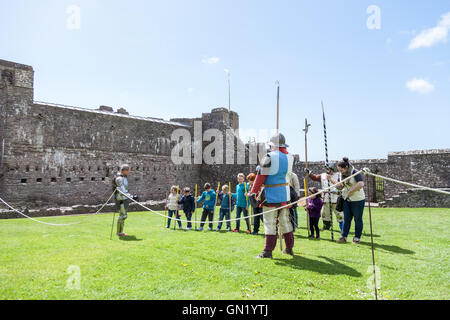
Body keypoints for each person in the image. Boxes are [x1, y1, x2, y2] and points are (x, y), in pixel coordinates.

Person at [250, 133, 295, 258]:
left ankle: (268, 251)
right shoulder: (290, 157)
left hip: (271, 194)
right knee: (285, 221)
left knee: (269, 222)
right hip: (285, 194)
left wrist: (253, 192)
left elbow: (260, 177)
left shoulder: (268, 157)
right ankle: (289, 248)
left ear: (272, 145)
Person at [328, 157, 365, 244]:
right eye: (339, 170)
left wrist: (351, 191)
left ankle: (357, 238)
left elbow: (361, 184)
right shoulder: (341, 175)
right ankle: (344, 236)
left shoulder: (355, 172)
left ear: (346, 167)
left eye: (341, 170)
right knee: (346, 219)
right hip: (346, 199)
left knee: (357, 219)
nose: (340, 171)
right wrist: (331, 179)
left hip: (358, 200)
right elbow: (340, 186)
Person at [307, 164, 344, 232]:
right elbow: (315, 177)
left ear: (332, 169)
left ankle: (343, 229)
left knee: (339, 215)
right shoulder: (323, 175)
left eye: (329, 169)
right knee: (325, 214)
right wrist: (309, 173)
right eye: (326, 169)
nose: (327, 170)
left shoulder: (339, 175)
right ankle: (326, 227)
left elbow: (341, 186)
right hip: (326, 198)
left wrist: (331, 179)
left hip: (336, 198)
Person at [112, 164, 132, 237]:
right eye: (128, 170)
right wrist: (132, 196)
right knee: (123, 215)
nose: (129, 172)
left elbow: (125, 190)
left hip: (124, 198)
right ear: (124, 170)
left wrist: (130, 196)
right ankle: (119, 232)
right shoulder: (119, 178)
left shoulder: (124, 178)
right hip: (120, 199)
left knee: (122, 215)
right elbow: (122, 191)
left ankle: (121, 232)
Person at [248, 171, 263, 235]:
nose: (249, 182)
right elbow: (250, 192)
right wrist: (248, 194)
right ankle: (255, 230)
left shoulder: (259, 185)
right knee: (256, 217)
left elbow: (261, 192)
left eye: (250, 180)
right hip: (255, 204)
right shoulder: (251, 186)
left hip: (260, 203)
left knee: (263, 217)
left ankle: (269, 231)